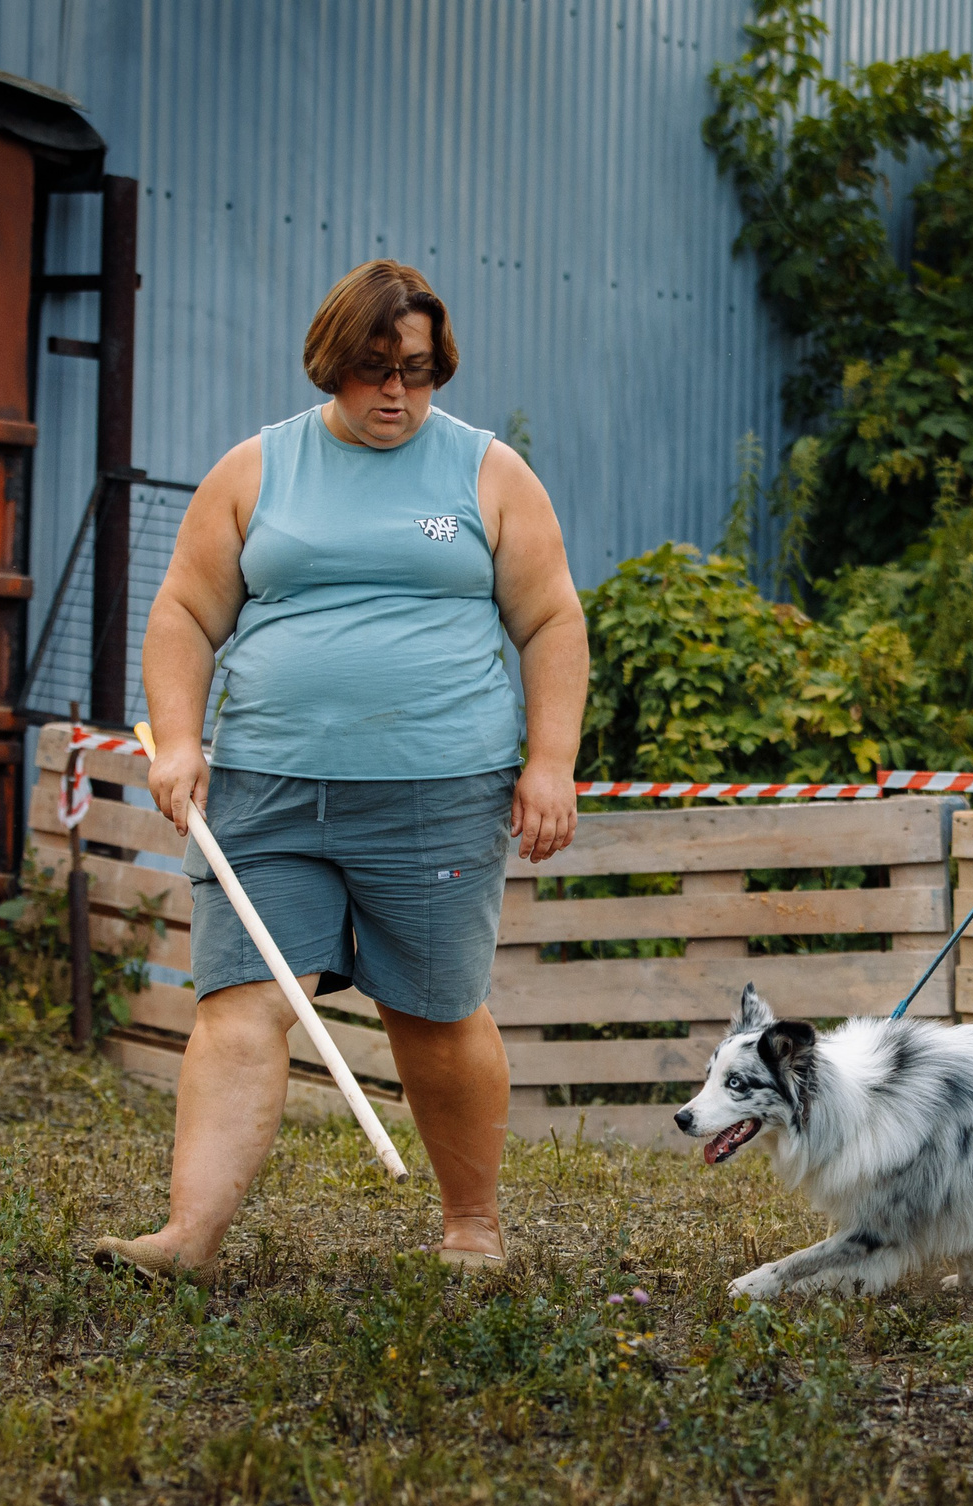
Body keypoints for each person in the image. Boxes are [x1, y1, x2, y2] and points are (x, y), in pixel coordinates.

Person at [94, 259, 587, 1285]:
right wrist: (180, 741)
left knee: (436, 1011)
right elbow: (184, 611)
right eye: (372, 372)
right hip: (268, 788)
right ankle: (186, 1239)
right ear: (331, 366)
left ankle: (471, 1229)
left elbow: (549, 621)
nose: (395, 394)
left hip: (438, 788)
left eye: (415, 371)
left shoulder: (488, 475)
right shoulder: (256, 470)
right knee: (241, 999)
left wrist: (551, 761)